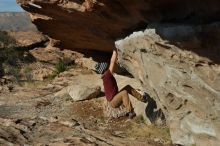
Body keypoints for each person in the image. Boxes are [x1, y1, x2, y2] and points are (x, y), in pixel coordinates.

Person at [95, 50, 146, 119]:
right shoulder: (107, 75)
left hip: (114, 98)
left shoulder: (106, 76)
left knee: (127, 88)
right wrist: (114, 52)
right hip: (113, 101)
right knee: (124, 93)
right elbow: (112, 62)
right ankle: (130, 111)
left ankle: (142, 98)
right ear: (105, 68)